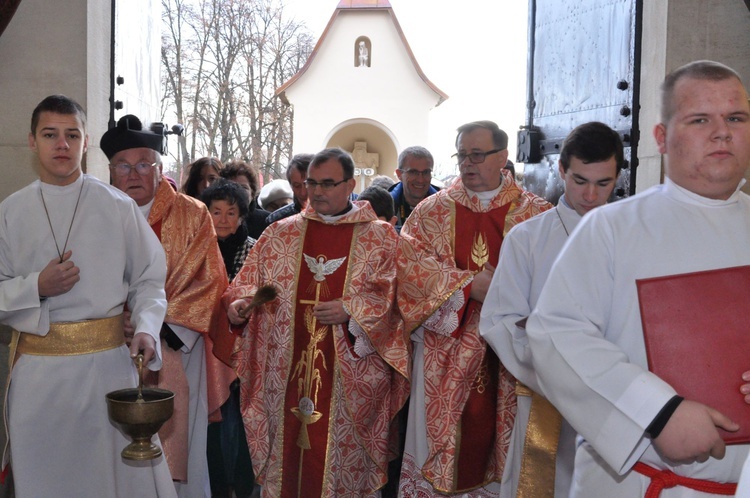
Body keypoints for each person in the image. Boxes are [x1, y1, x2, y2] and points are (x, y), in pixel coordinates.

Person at [524, 60, 750, 496]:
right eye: (700, 119)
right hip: (642, 483)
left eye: (736, 118)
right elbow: (554, 334)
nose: (722, 132)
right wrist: (658, 413)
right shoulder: (611, 229)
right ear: (661, 138)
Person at [0, 95, 175, 497]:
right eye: (50, 135)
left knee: (111, 480)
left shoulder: (116, 207)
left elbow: (150, 278)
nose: (62, 145)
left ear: (85, 141)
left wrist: (147, 327)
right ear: (32, 141)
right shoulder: (10, 212)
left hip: (108, 371)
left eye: (71, 135)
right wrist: (36, 288)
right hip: (38, 377)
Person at [225, 147, 410, 496]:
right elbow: (248, 284)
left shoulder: (380, 238)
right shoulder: (280, 235)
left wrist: (352, 309)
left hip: (350, 386)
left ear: (350, 184)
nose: (318, 191)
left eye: (328, 183)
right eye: (312, 183)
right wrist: (238, 305)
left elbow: (398, 302)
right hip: (285, 376)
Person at [397, 120, 552, 495]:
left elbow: (560, 279)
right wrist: (468, 286)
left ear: (502, 157)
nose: (468, 163)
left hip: (513, 356)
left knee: (508, 446)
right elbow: (409, 269)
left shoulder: (538, 214)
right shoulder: (430, 212)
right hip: (444, 357)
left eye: (477, 154)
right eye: (462, 154)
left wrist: (503, 293)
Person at [479, 121, 624, 498]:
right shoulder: (527, 238)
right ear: (561, 170)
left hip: (619, 397)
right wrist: (556, 366)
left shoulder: (633, 235)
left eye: (603, 183)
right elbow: (499, 321)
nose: (591, 195)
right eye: (579, 181)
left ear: (618, 176)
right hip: (547, 395)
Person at [102, 114, 233, 498]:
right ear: (111, 171)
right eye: (123, 166)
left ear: (160, 169)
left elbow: (210, 281)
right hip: (108, 347)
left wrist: (152, 324)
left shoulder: (192, 213)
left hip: (175, 345)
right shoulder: (97, 212)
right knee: (111, 449)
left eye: (144, 164)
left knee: (180, 455)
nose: (134, 174)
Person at [201, 179, 257, 498]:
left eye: (230, 212)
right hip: (203, 346)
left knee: (241, 420)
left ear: (241, 216)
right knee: (213, 422)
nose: (223, 219)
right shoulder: (199, 247)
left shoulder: (253, 248)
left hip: (243, 349)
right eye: (216, 211)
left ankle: (243, 483)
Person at [389, 146, 440, 233]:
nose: (420, 180)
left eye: (426, 172)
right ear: (399, 174)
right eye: (413, 172)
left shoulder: (443, 206)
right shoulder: (385, 206)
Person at [221, 160, 270, 239]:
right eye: (232, 187)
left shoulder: (267, 221)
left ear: (252, 192)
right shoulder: (215, 220)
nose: (238, 192)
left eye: (243, 187)